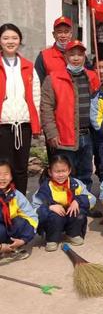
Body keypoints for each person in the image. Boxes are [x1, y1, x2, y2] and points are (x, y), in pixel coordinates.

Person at [40, 40, 100, 192]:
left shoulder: (92, 77)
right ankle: (66, 205)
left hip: (87, 134)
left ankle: (84, 204)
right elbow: (46, 108)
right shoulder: (53, 78)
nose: (76, 58)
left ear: (84, 57)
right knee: (66, 173)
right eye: (72, 54)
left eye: (80, 54)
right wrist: (51, 132)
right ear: (65, 56)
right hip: (64, 135)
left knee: (86, 173)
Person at [0, 23, 41, 194]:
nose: (10, 41)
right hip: (2, 125)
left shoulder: (28, 65)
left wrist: (36, 123)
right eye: (6, 38)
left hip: (23, 125)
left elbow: (36, 95)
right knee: (3, 168)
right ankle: (4, 208)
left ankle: (21, 205)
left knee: (21, 169)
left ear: (20, 41)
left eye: (14, 38)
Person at [32, 154, 96, 252]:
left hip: (71, 217)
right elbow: (33, 211)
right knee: (54, 216)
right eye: (57, 172)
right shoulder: (45, 188)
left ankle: (73, 233)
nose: (61, 175)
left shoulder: (75, 184)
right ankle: (52, 239)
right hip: (55, 220)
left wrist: (78, 201)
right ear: (50, 172)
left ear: (69, 170)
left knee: (79, 212)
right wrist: (49, 208)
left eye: (64, 171)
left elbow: (92, 199)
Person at [0, 160, 37, 263]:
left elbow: (32, 217)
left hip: (9, 233)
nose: (2, 178)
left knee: (20, 222)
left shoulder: (16, 195)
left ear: (11, 176)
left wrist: (24, 239)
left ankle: (13, 247)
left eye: (6, 174)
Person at [35, 16, 73, 84]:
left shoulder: (79, 54)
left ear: (71, 34)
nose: (63, 35)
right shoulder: (44, 56)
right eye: (59, 32)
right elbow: (37, 84)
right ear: (54, 34)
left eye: (66, 32)